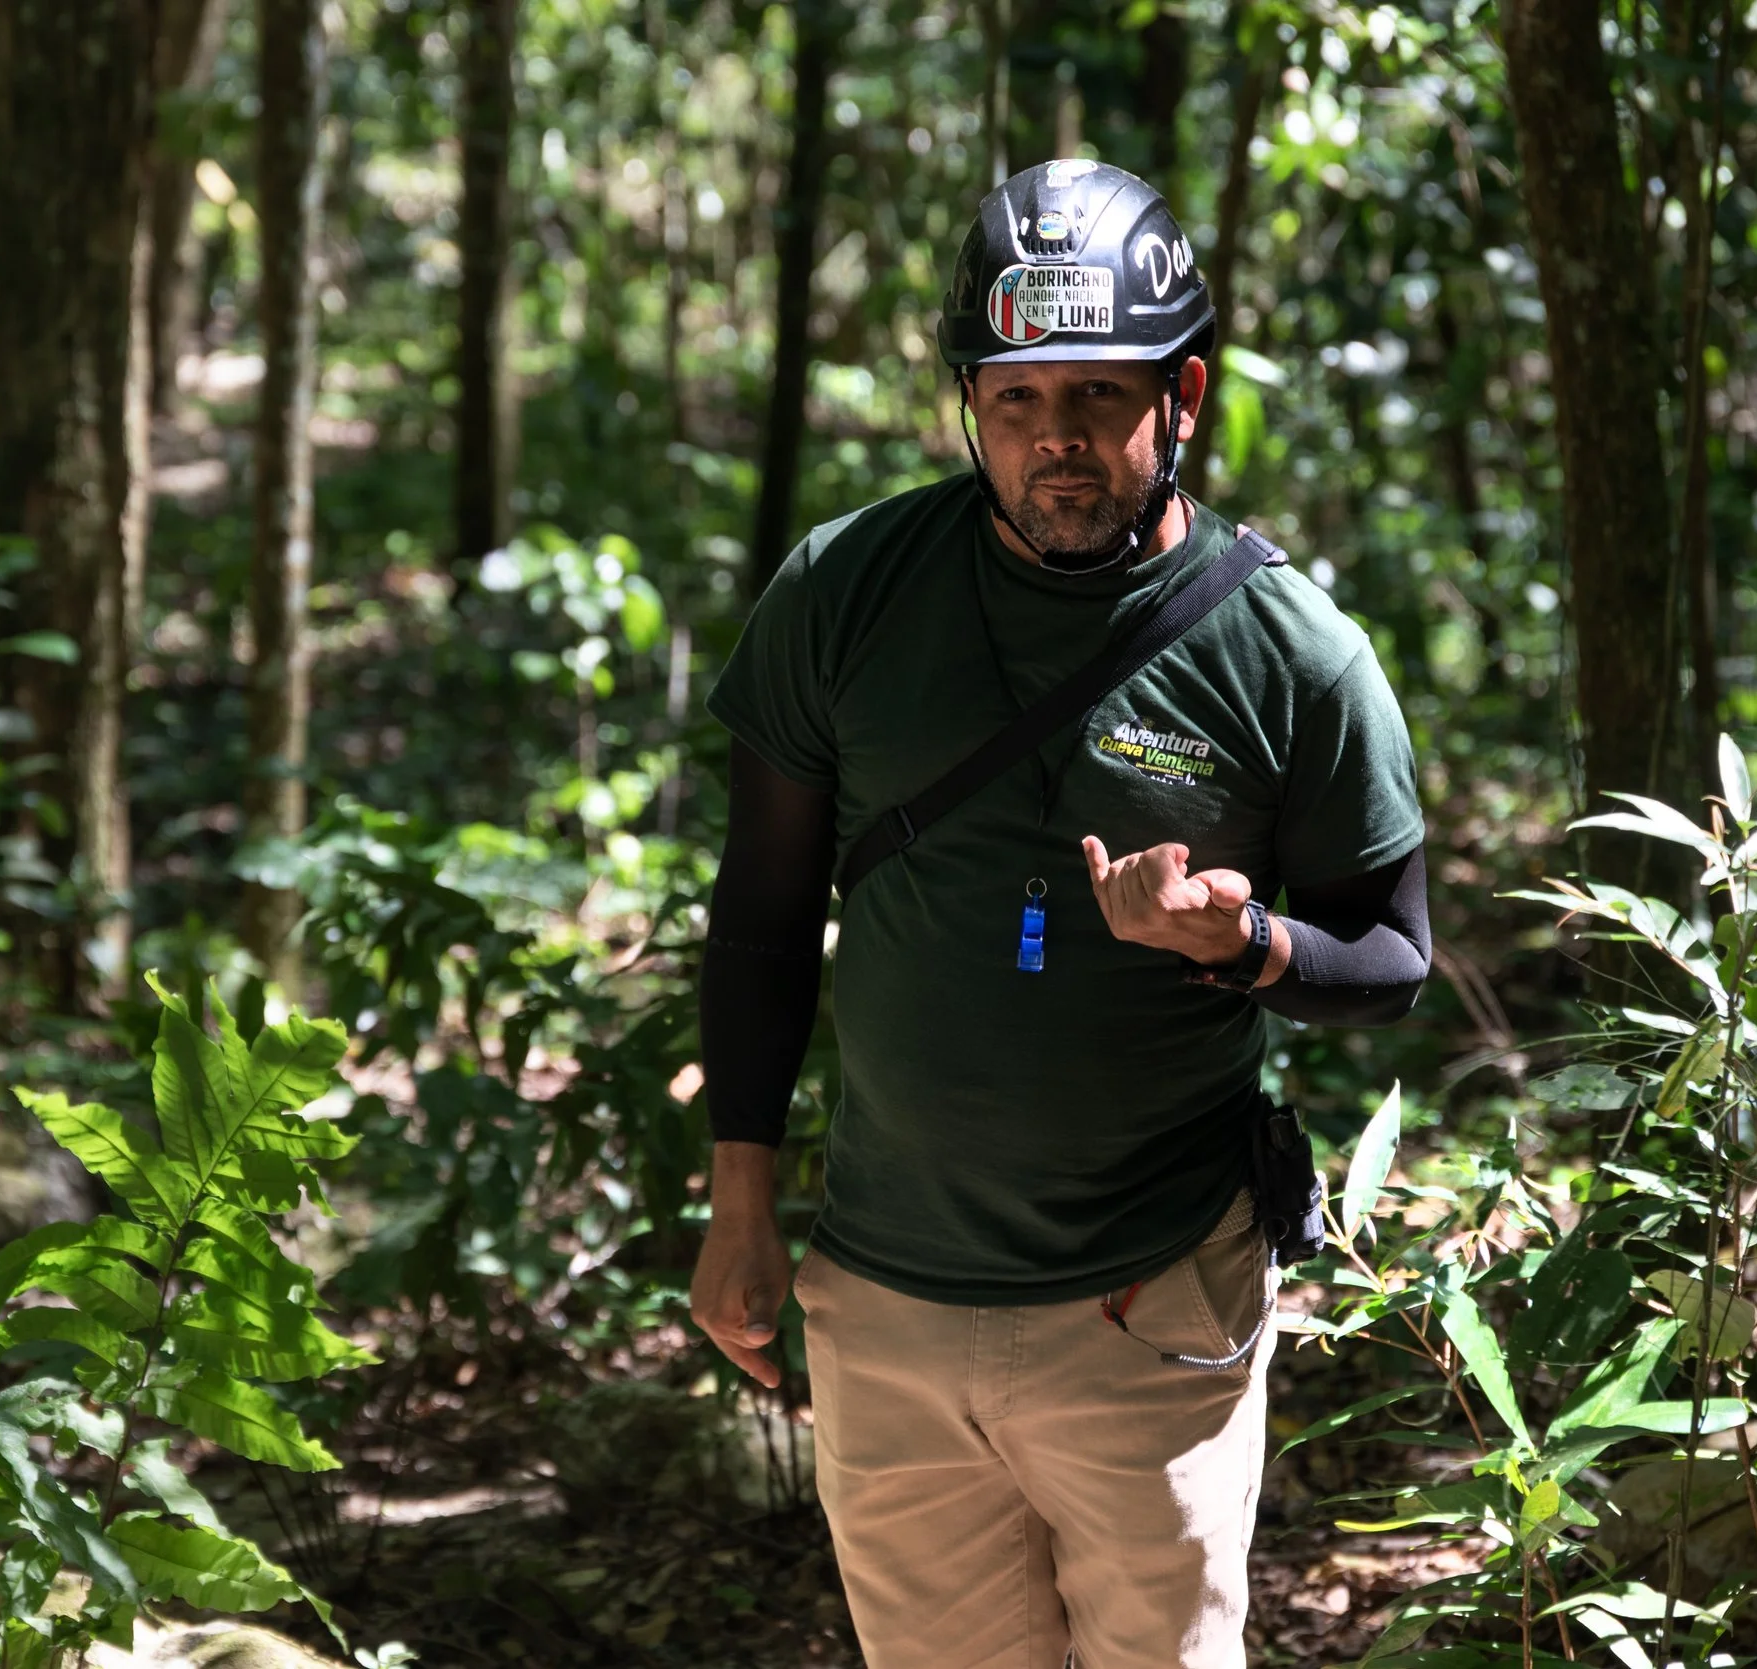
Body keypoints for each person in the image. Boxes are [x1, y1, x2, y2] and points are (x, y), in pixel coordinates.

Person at [689, 158, 1431, 1669]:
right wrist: (742, 1203)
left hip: (1149, 1302)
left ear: (1187, 395)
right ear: (970, 402)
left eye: (1099, 396)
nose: (1058, 446)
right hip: (888, 1302)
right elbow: (762, 915)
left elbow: (1395, 959)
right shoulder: (844, 594)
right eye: (1018, 401)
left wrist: (1249, 946)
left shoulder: (1292, 653)